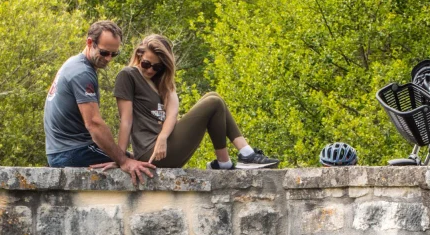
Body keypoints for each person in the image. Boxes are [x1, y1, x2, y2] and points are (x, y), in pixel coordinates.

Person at [111, 34, 279, 170]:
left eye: (157, 67)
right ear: (139, 55)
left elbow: (172, 113)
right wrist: (121, 159)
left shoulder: (161, 80)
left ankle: (230, 160)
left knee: (214, 96)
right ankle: (236, 158)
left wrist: (162, 137)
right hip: (151, 153)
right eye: (146, 63)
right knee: (213, 102)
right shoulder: (128, 75)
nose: (150, 70)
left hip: (165, 145)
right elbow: (126, 121)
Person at [43, 21, 155, 185]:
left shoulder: (74, 63)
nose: (108, 59)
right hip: (72, 152)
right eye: (104, 52)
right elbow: (94, 124)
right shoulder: (82, 73)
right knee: (144, 166)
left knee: (133, 158)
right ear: (90, 43)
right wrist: (123, 161)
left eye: (113, 54)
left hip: (60, 151)